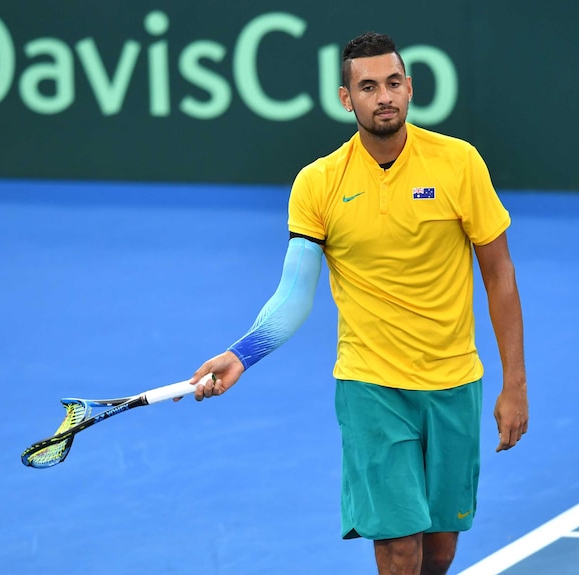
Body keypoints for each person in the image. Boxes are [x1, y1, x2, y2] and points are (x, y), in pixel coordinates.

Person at [187, 31, 529, 575]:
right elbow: (295, 292)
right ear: (347, 98)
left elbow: (500, 274)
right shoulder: (319, 183)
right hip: (371, 386)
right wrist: (243, 354)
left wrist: (515, 384)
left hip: (454, 382)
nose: (384, 96)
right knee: (396, 542)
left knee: (440, 545)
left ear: (411, 88)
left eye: (393, 83)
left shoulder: (459, 163)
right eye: (368, 87)